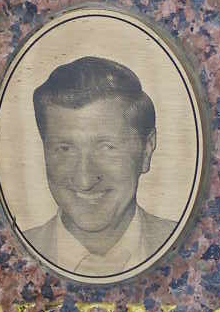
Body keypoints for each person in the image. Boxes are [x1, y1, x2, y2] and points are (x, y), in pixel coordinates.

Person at [24, 56, 177, 276]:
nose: (84, 180)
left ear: (146, 150)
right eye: (65, 148)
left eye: (107, 147)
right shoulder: (9, 253)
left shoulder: (194, 247)